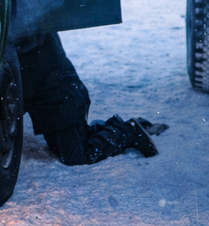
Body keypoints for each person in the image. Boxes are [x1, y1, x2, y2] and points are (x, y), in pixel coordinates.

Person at [16, 32, 163, 165]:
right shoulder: (29, 24)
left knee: (77, 156)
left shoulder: (29, 29)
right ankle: (113, 128)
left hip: (60, 100)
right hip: (53, 98)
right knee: (70, 144)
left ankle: (129, 132)